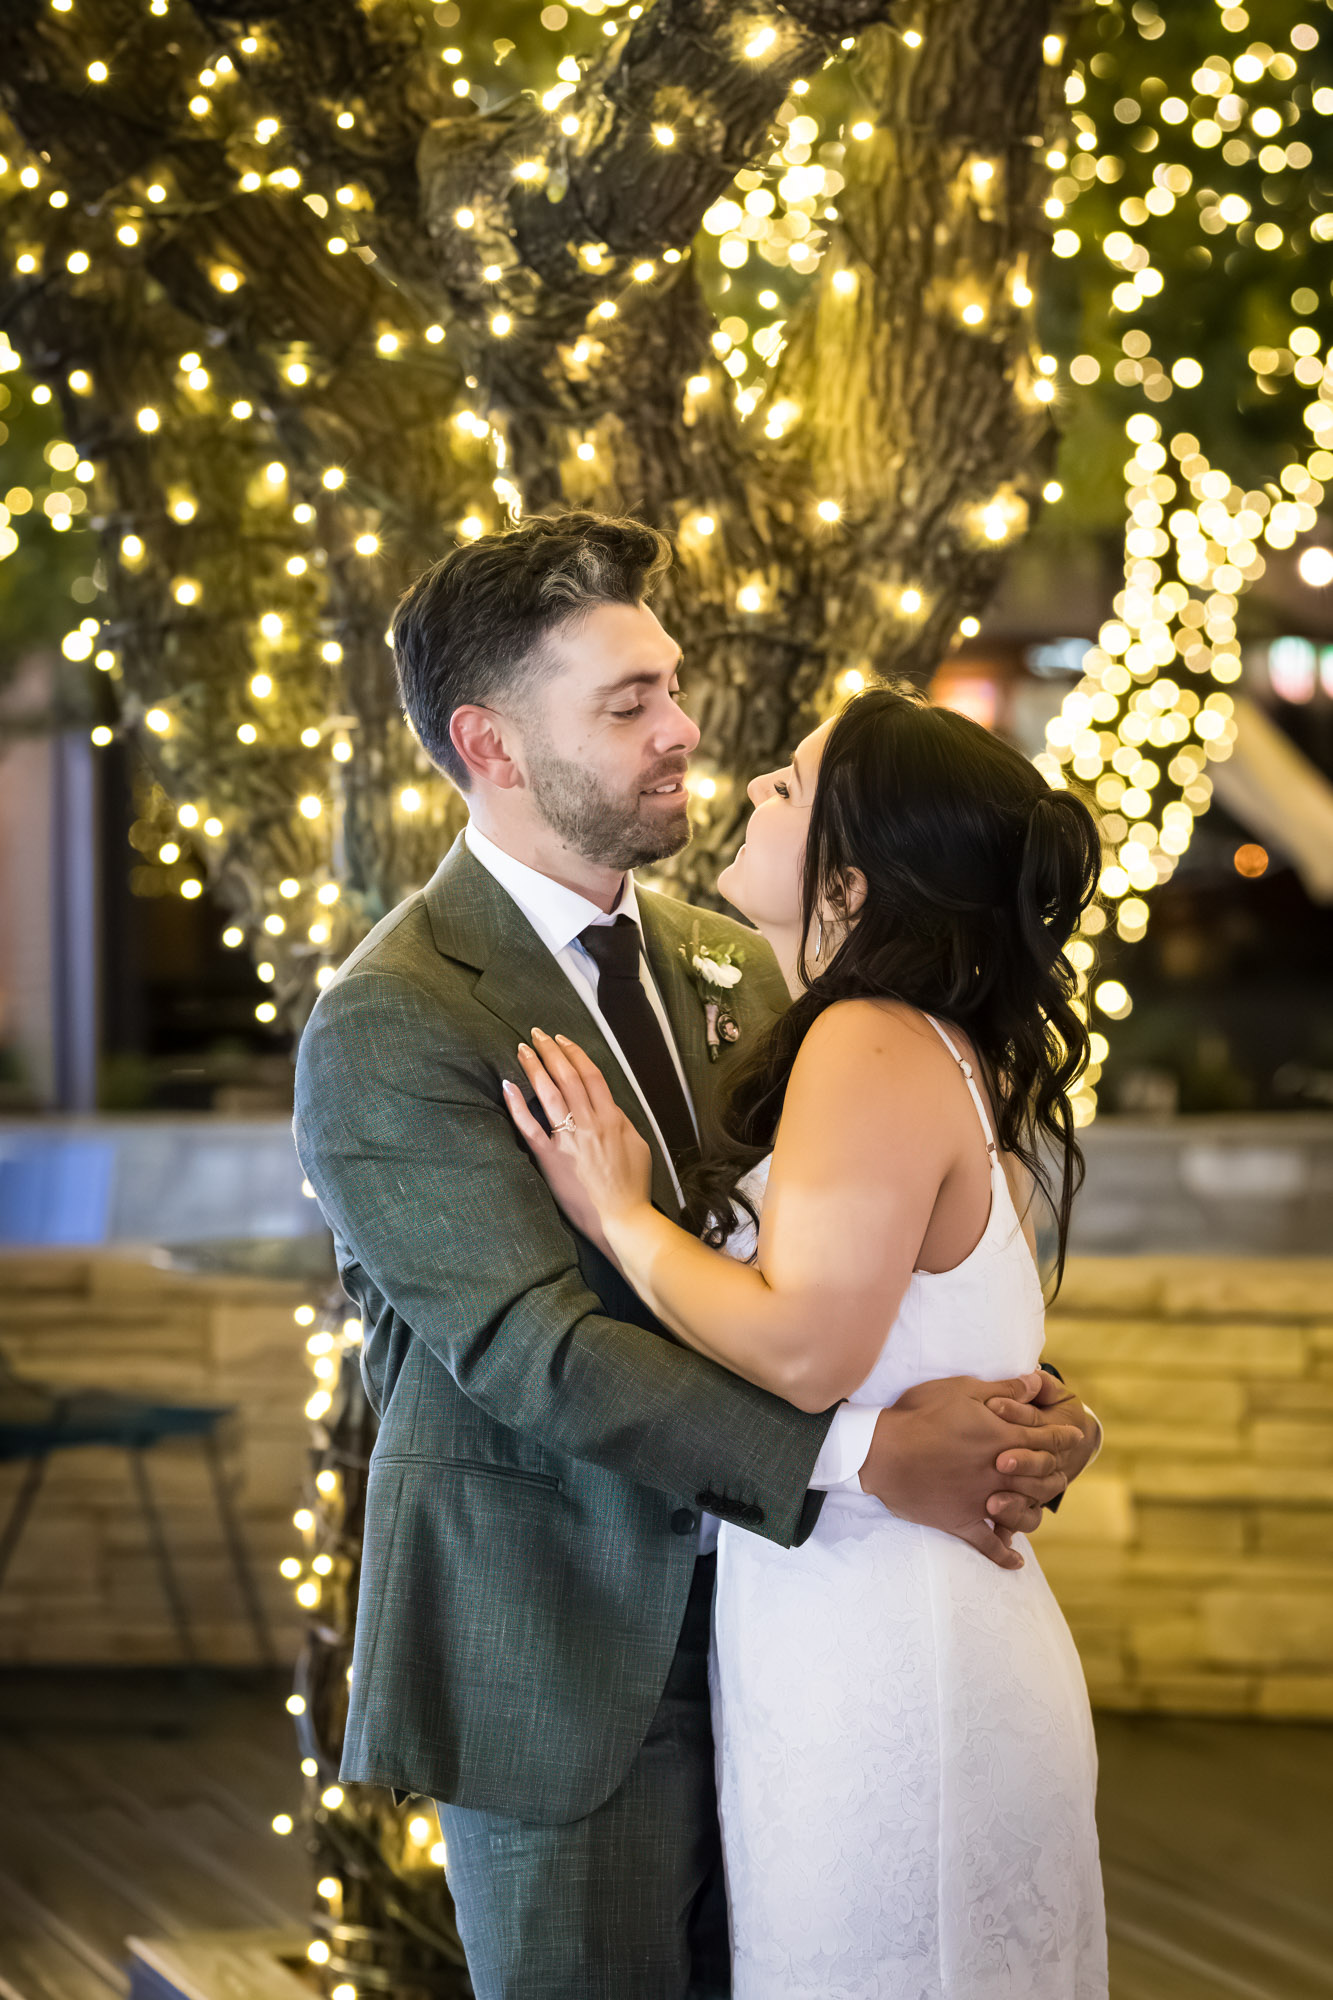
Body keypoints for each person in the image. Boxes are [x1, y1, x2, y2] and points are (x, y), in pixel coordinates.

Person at [293, 513, 1101, 2000]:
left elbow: (859, 1239)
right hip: (567, 1656)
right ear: (489, 743)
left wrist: (1016, 1404)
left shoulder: (737, 958)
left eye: (667, 686)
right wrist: (866, 1458)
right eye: (627, 706)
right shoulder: (392, 1017)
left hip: (802, 1642)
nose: (686, 733)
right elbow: (529, 1348)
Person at [507, 684, 1110, 1998]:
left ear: (850, 877)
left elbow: (805, 1351)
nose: (747, 791)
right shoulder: (926, 1046)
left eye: (785, 784)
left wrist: (617, 1214)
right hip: (866, 1617)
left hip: (887, 1653)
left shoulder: (864, 1039)